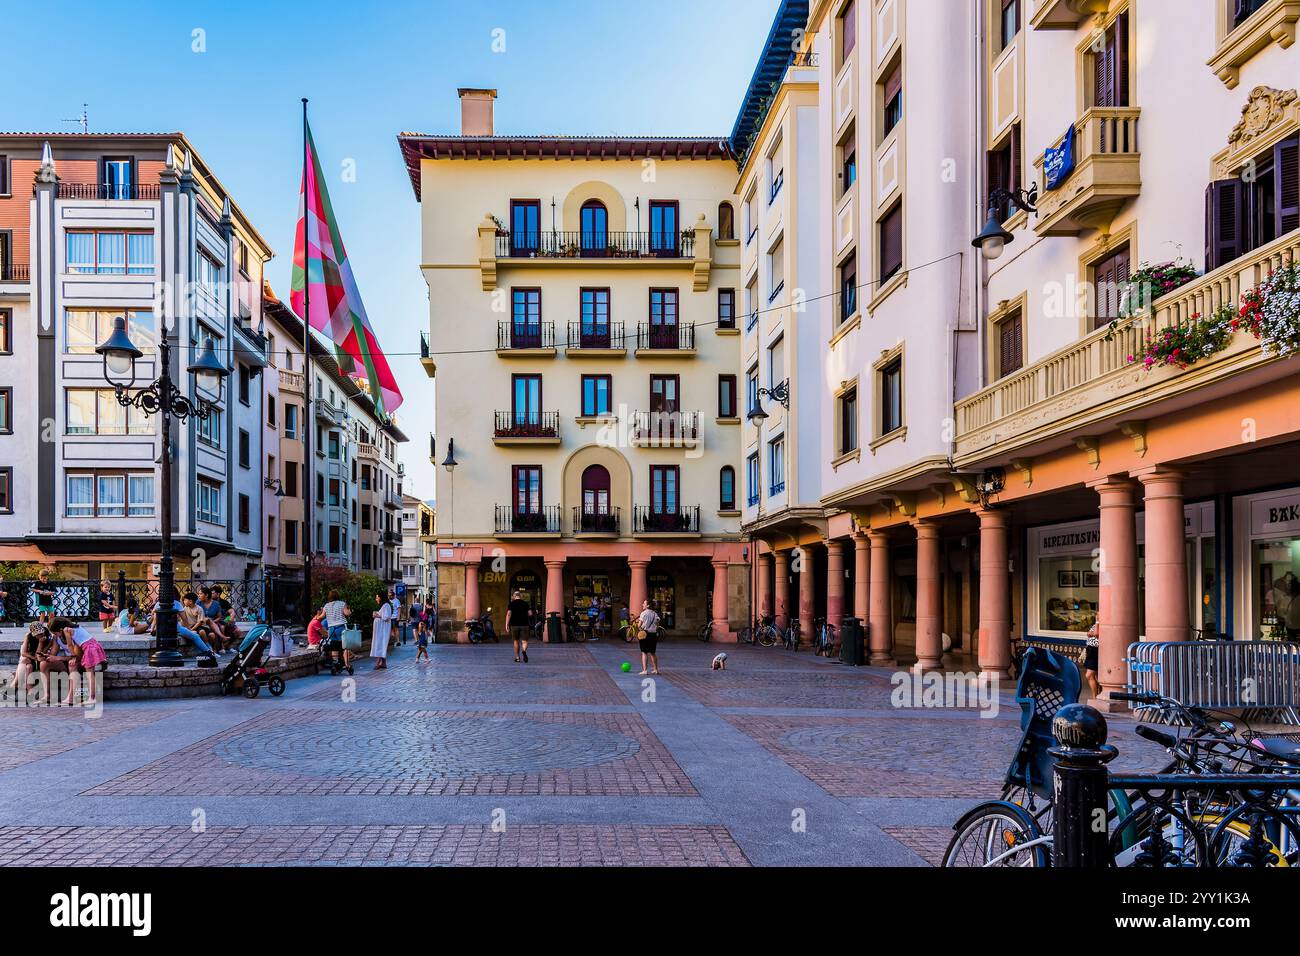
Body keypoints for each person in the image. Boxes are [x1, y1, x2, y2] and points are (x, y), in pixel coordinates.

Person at [51, 618, 107, 706]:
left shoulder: (66, 630)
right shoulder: (75, 627)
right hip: (93, 645)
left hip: (89, 648)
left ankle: (92, 698)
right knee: (90, 674)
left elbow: (70, 645)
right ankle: (89, 697)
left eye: (56, 633)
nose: (57, 636)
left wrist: (73, 656)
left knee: (90, 674)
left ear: (60, 629)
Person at [8, 623, 49, 701]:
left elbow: (40, 654)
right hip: (29, 657)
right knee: (26, 663)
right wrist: (32, 657)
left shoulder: (48, 636)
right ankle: (29, 691)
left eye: (41, 632)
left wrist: (41, 643)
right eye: (37, 634)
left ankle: (14, 686)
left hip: (40, 658)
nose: (40, 635)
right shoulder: (28, 636)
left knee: (26, 663)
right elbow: (23, 652)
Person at [323, 590, 353, 675]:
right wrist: (349, 609)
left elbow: (322, 616)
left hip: (331, 628)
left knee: (334, 646)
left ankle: (335, 663)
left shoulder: (326, 605)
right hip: (341, 627)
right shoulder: (342, 603)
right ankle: (347, 664)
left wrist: (317, 617)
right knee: (345, 646)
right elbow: (347, 613)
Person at [506, 589, 531, 663]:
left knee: (516, 641)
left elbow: (509, 614)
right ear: (520, 596)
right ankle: (523, 651)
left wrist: (506, 624)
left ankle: (517, 658)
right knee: (524, 641)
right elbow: (530, 614)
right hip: (524, 624)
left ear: (514, 596)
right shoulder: (526, 604)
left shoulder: (511, 604)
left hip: (514, 625)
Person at [636, 600, 661, 675]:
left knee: (644, 652)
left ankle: (645, 670)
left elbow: (639, 625)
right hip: (653, 634)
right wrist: (654, 628)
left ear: (648, 605)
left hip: (645, 634)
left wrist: (640, 626)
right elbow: (657, 623)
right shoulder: (654, 613)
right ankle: (655, 669)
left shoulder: (643, 613)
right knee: (653, 653)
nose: (642, 604)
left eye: (644, 603)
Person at [371, 590, 393, 669]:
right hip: (381, 629)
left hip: (383, 630)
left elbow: (386, 617)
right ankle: (383, 663)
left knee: (380, 644)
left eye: (377, 597)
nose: (376, 599)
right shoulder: (384, 606)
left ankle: (377, 663)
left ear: (381, 598)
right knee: (381, 643)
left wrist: (377, 615)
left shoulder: (386, 605)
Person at [1084, 618, 1101, 699]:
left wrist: (1098, 621)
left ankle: (1095, 698)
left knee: (1089, 675)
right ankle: (1098, 695)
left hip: (1096, 649)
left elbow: (1097, 634)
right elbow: (1089, 633)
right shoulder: (1097, 623)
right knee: (1097, 675)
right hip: (1091, 649)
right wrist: (1091, 633)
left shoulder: (1101, 622)